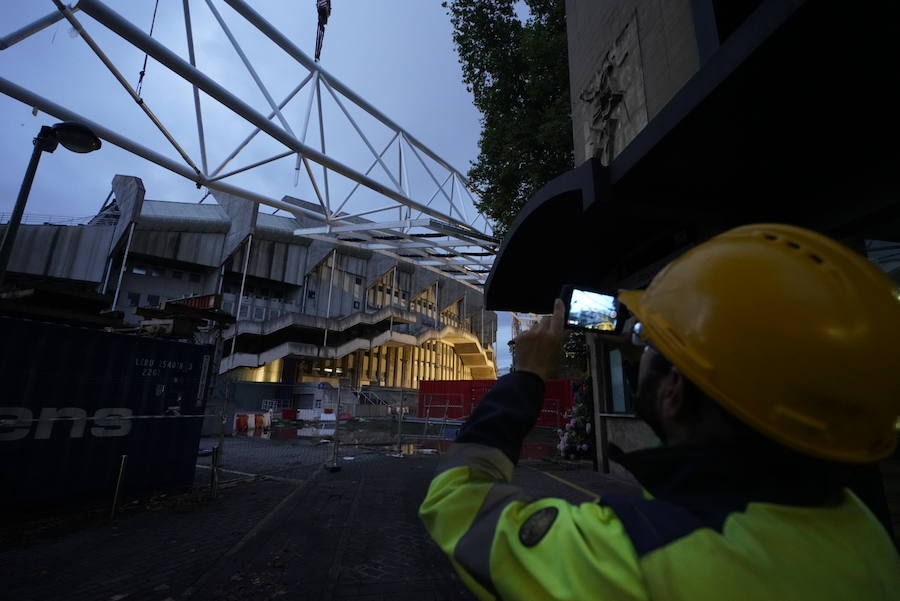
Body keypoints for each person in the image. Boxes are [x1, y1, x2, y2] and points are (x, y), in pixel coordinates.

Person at [419, 224, 900, 600]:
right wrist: (653, 350)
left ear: (674, 392)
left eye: (653, 346)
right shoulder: (861, 531)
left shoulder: (637, 553)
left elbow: (457, 502)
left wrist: (525, 377)